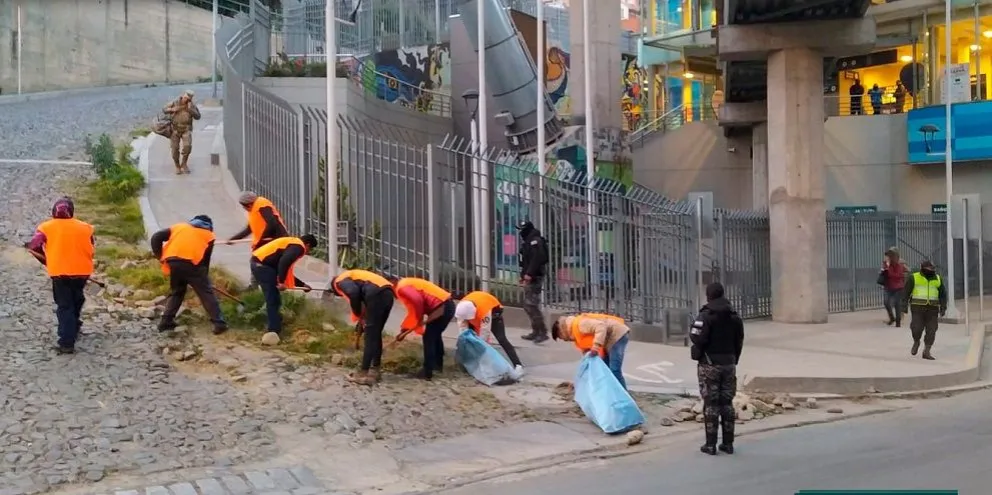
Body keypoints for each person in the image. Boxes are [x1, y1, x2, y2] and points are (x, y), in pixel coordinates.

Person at [25, 197, 95, 354]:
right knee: (77, 299)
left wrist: (47, 260)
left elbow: (34, 246)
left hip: (60, 272)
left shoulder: (46, 227)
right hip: (82, 271)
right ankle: (74, 326)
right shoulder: (86, 227)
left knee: (65, 306)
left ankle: (66, 342)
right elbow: (91, 246)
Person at [690, 282, 745, 456]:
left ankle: (710, 444)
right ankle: (728, 444)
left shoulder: (705, 315)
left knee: (711, 404)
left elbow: (696, 337)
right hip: (729, 364)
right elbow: (740, 340)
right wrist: (734, 359)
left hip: (710, 364)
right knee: (727, 403)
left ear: (709, 295)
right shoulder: (734, 316)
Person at [150, 215, 227, 335]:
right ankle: (219, 323)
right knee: (206, 293)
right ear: (209, 226)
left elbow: (156, 237)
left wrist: (160, 256)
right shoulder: (209, 236)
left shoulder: (179, 227)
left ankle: (165, 322)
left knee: (177, 292)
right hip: (191, 264)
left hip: (173, 262)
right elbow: (205, 260)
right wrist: (204, 279)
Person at [330, 269, 395, 385]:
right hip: (388, 292)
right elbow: (360, 295)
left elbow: (353, 293)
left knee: (370, 336)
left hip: (376, 294)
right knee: (375, 333)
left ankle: (363, 373)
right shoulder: (355, 276)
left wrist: (357, 313)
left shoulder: (340, 281)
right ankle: (375, 369)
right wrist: (361, 317)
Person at [249, 235, 317, 342]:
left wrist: (302, 285)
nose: (308, 252)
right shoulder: (299, 247)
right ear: (307, 245)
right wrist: (281, 282)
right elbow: (284, 262)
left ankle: (276, 324)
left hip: (263, 264)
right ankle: (273, 331)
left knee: (275, 298)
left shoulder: (292, 243)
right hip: (261, 266)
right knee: (272, 298)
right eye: (310, 249)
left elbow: (285, 270)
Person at [393, 277, 455, 381]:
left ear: (392, 283)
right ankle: (437, 365)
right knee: (435, 335)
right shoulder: (408, 283)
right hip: (447, 305)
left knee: (429, 337)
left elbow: (418, 301)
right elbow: (413, 312)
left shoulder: (402, 287)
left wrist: (419, 318)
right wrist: (404, 330)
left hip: (442, 307)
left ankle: (427, 372)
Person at [454, 291, 525, 378]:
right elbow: (462, 326)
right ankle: (471, 366)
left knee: (501, 339)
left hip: (494, 314)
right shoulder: (462, 308)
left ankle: (518, 365)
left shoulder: (484, 310)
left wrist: (478, 349)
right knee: (468, 339)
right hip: (474, 315)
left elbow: (485, 333)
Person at [550, 313, 630, 389]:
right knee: (605, 370)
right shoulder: (576, 335)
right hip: (608, 340)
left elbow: (600, 326)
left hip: (617, 334)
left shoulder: (580, 324)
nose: (563, 339)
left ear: (561, 331)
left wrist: (596, 346)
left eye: (560, 337)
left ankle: (624, 396)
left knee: (614, 370)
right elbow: (587, 360)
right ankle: (609, 393)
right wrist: (579, 382)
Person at [227, 191, 288, 289]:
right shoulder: (253, 211)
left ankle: (266, 287)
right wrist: (234, 239)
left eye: (244, 207)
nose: (244, 209)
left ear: (249, 204)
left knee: (260, 263)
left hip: (275, 240)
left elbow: (272, 223)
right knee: (257, 262)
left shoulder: (261, 204)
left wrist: (261, 240)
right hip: (265, 242)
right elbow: (249, 229)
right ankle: (255, 287)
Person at [902, 260, 947, 360]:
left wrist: (943, 307)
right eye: (929, 268)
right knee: (916, 328)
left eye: (932, 268)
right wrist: (903, 306)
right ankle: (916, 341)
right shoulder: (914, 277)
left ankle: (927, 351)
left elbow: (943, 295)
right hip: (917, 308)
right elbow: (906, 292)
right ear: (923, 268)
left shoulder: (938, 279)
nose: (931, 270)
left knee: (932, 330)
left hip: (933, 309)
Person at [516, 220, 551, 343]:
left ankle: (542, 332)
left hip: (535, 277)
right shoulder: (528, 242)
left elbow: (537, 259)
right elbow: (525, 261)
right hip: (530, 276)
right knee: (528, 305)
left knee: (531, 304)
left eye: (522, 229)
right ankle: (536, 331)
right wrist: (523, 275)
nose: (520, 232)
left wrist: (530, 274)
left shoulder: (535, 241)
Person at [163, 89, 201, 174]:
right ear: (183, 96)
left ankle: (184, 164)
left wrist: (191, 110)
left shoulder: (191, 105)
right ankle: (177, 166)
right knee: (174, 150)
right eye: (185, 98)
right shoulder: (174, 102)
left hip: (186, 129)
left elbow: (198, 116)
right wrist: (172, 110)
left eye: (188, 99)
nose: (186, 100)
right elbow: (164, 109)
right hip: (175, 130)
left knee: (187, 147)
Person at [878, 247, 908, 327]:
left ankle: (898, 321)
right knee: (886, 302)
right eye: (889, 255)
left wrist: (888, 269)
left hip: (898, 287)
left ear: (896, 256)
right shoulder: (886, 264)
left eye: (892, 255)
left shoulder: (900, 265)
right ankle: (892, 318)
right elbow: (883, 274)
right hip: (888, 287)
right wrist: (884, 269)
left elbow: (896, 275)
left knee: (897, 304)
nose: (890, 257)